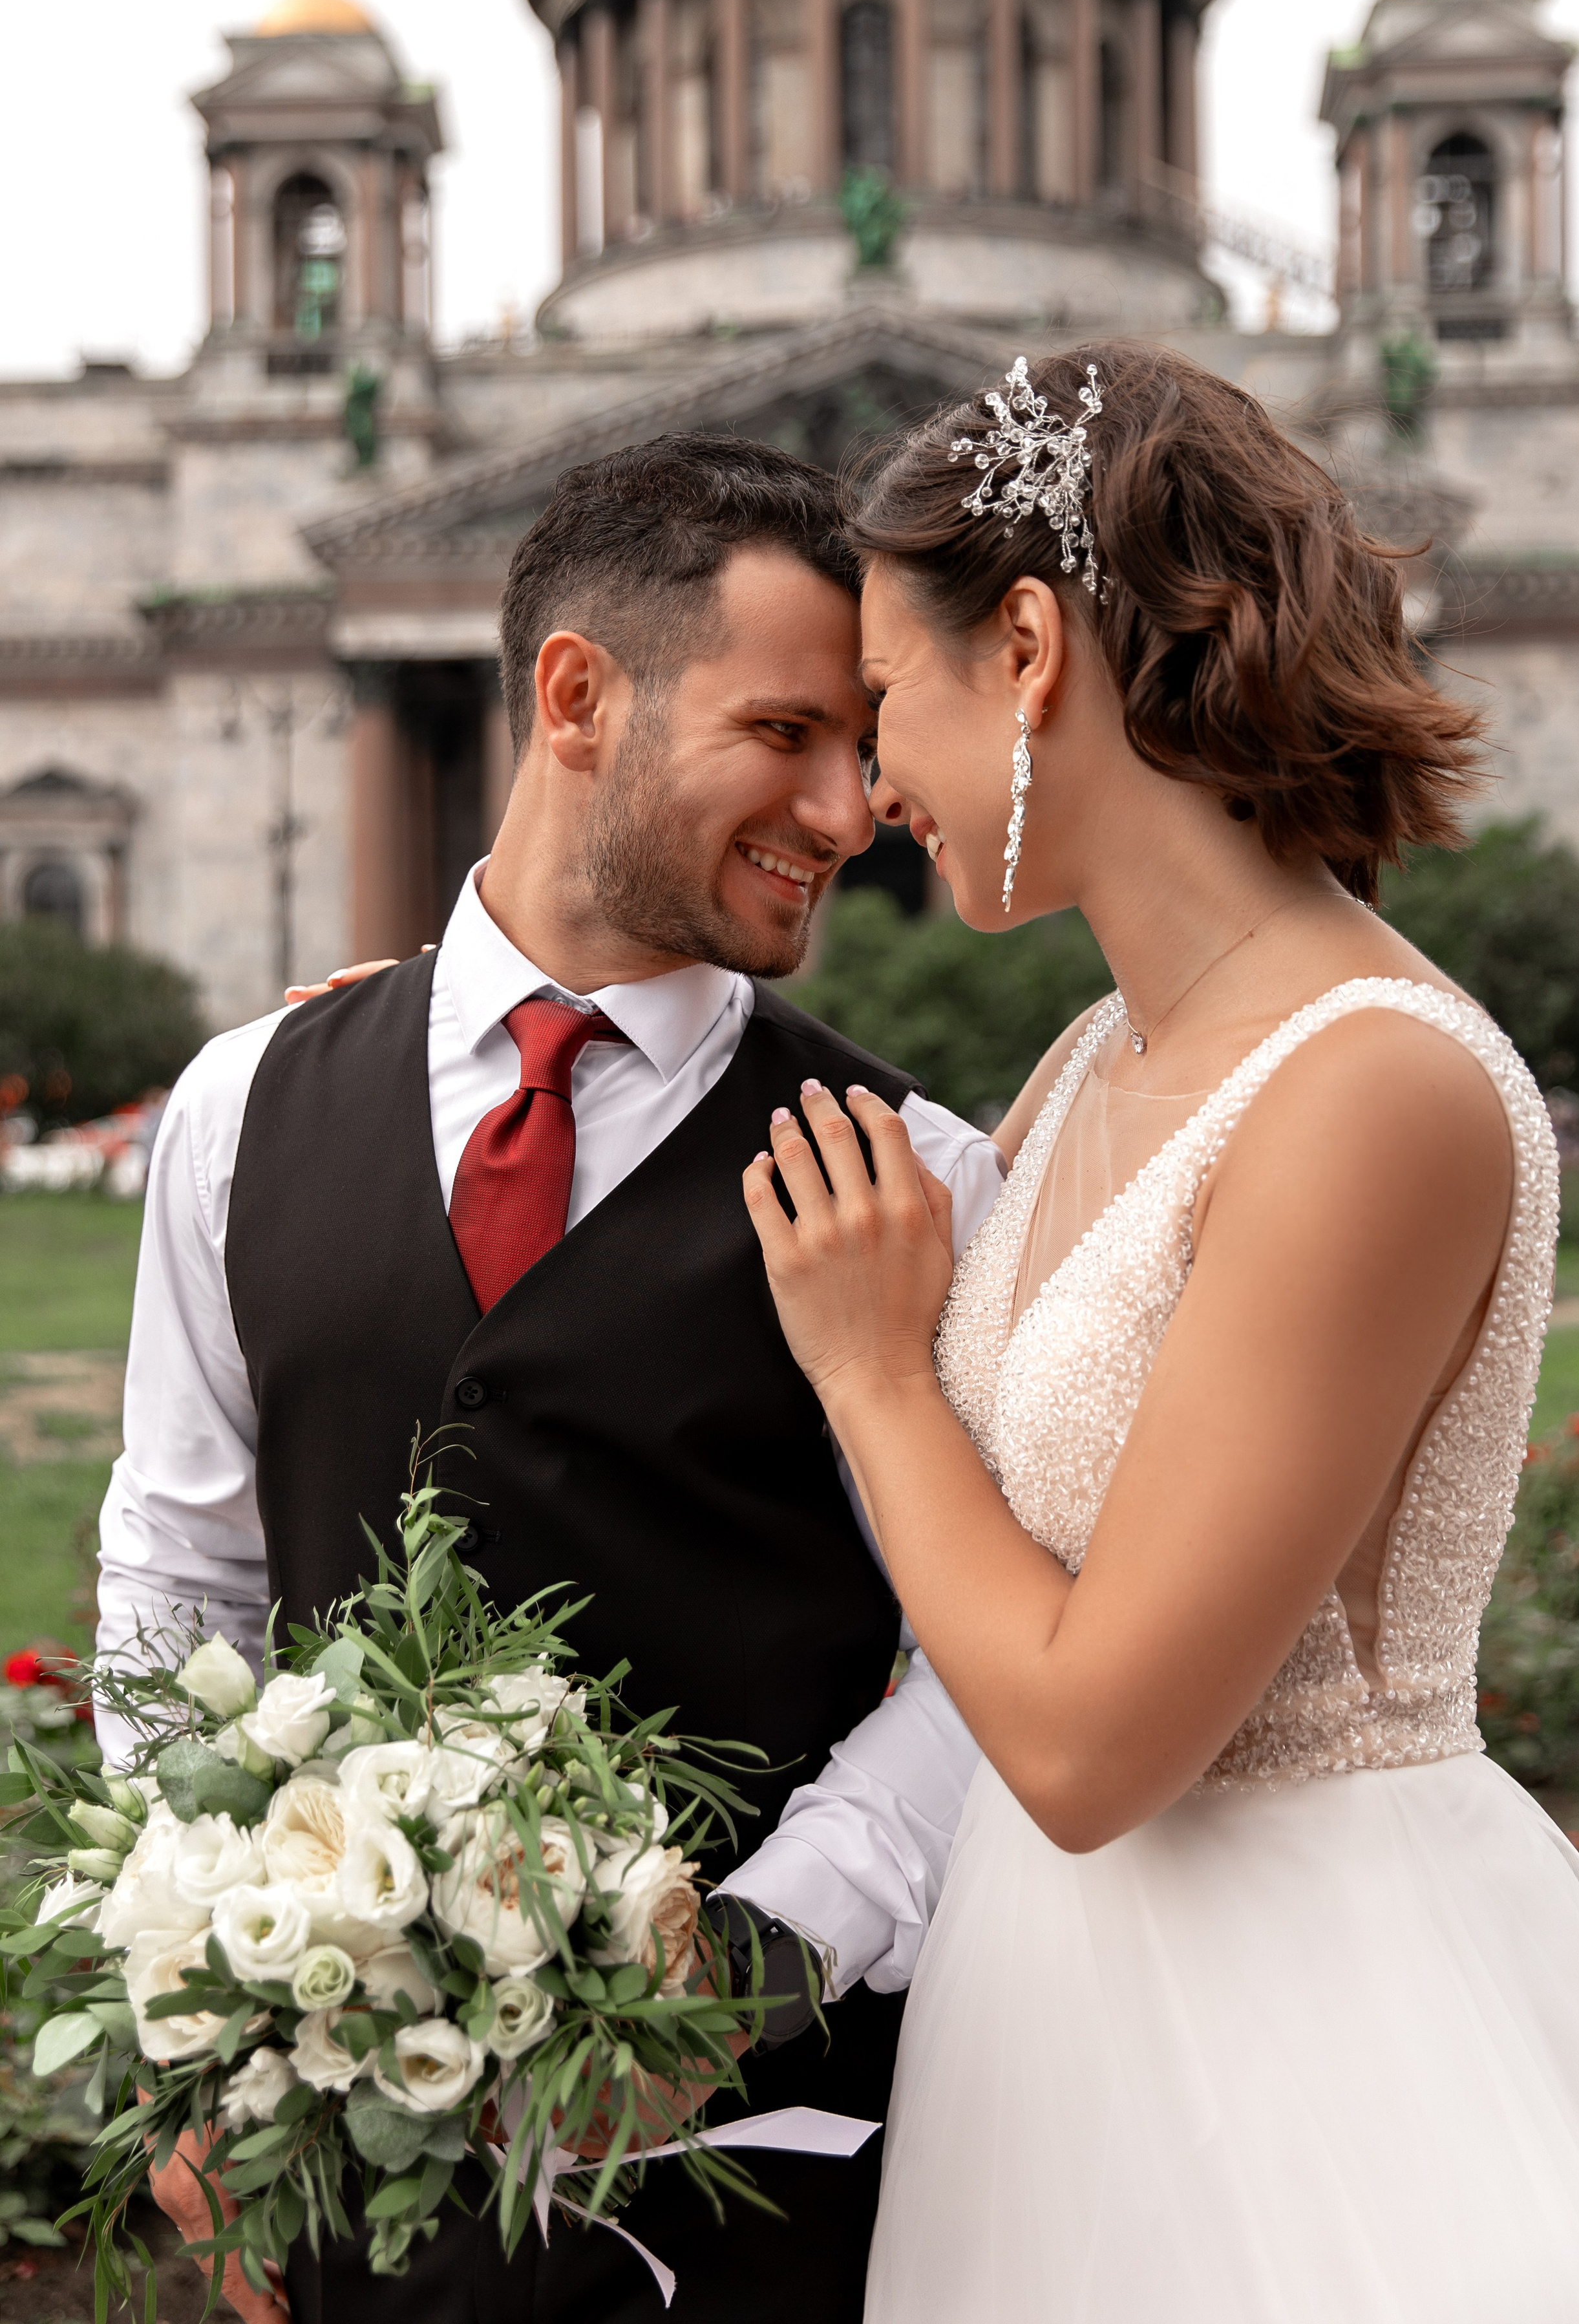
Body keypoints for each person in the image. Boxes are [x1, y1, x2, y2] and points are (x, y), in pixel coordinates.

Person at [743, 346, 1579, 2322]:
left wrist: (876, 1377)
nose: (872, 786)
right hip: (1045, 2027)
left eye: (889, 700)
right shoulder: (1092, 1057)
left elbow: (1089, 1744)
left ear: (1030, 652)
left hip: (1311, 2045)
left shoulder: (1371, 1087)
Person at [94, 434, 1002, 2324]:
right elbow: (183, 1574)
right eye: (786, 733)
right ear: (578, 696)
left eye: (863, 746)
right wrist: (195, 2018)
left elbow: (984, 1669)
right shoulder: (240, 1108)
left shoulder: (913, 1175)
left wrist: (748, 1968)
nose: (848, 810)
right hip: (341, 2182)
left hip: (753, 2186)